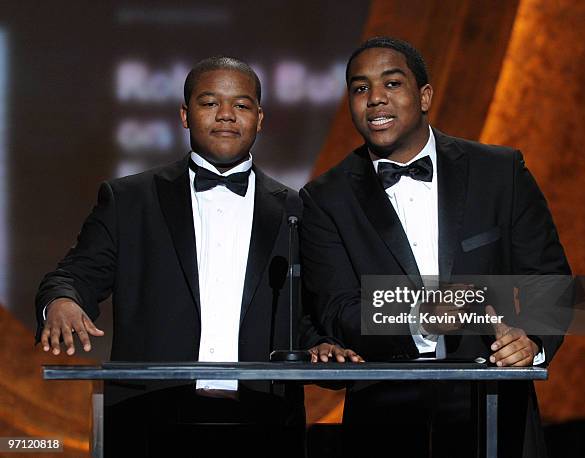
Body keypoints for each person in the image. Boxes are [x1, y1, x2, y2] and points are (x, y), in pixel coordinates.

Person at [35, 56, 360, 457]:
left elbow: (305, 314)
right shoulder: (129, 200)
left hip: (264, 422)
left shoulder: (295, 210)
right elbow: (74, 275)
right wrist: (62, 302)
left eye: (241, 105)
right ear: (185, 115)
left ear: (260, 118)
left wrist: (323, 345)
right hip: (149, 419)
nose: (226, 115)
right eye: (210, 103)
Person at [300, 37, 572, 457]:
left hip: (493, 409)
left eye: (391, 83)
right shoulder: (325, 197)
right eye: (360, 88)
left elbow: (550, 279)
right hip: (384, 417)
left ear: (424, 96)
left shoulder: (500, 171)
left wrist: (533, 342)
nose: (375, 99)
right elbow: (338, 310)